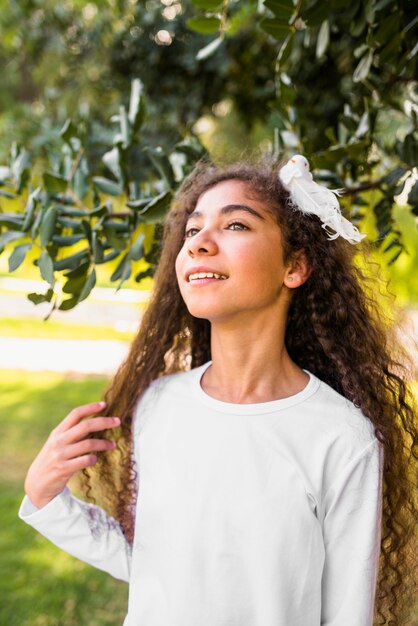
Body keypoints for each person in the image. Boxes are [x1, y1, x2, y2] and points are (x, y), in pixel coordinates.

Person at [19, 154, 418, 625]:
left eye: (235, 226)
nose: (199, 245)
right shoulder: (159, 405)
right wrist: (46, 499)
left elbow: (346, 614)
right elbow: (159, 567)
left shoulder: (341, 437)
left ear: (295, 266)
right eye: (192, 231)